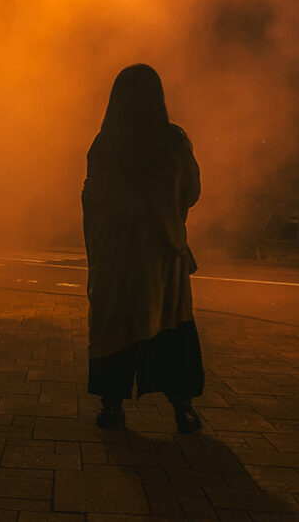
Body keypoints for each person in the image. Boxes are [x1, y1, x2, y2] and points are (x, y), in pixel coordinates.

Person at [82, 64, 203, 432]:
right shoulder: (173, 141)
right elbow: (192, 192)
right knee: (172, 330)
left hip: (117, 258)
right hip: (163, 256)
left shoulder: (105, 144)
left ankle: (111, 406)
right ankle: (183, 409)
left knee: (114, 331)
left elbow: (92, 198)